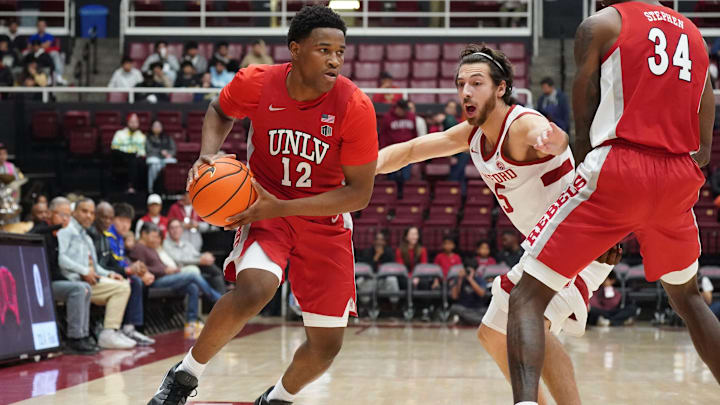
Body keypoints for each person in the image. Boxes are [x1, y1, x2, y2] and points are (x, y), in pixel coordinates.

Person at [147, 5, 378, 404]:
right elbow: (220, 110)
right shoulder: (257, 82)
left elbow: (358, 194)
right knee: (255, 288)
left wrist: (282, 208)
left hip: (323, 220)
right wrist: (207, 154)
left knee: (326, 345)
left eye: (340, 52)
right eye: (324, 50)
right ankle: (184, 377)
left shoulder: (355, 106)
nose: (335, 60)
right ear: (295, 49)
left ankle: (278, 399)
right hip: (264, 207)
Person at [375, 43, 621, 405]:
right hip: (546, 250)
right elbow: (411, 150)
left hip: (580, 244)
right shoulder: (471, 135)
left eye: (476, 83)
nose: (465, 92)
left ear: (501, 87)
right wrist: (359, 170)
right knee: (491, 334)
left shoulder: (523, 126)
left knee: (532, 324)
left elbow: (554, 136)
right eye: (461, 84)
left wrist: (552, 140)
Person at [505, 2, 720, 402]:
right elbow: (706, 97)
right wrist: (703, 150)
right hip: (677, 173)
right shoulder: (692, 32)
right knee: (688, 297)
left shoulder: (601, 23)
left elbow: (583, 100)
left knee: (526, 296)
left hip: (619, 163)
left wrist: (590, 172)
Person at [57, 198, 137, 350]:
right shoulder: (65, 231)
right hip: (71, 280)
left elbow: (97, 267)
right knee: (120, 288)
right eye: (84, 211)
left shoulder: (86, 237)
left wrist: (110, 274)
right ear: (74, 212)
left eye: (91, 213)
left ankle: (111, 331)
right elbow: (61, 259)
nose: (88, 216)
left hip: (90, 280)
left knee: (123, 284)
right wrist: (84, 271)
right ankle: (105, 333)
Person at [30, 197, 99, 355]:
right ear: (50, 214)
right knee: (79, 289)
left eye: (68, 216)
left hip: (55, 280)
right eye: (62, 215)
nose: (66, 219)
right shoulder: (43, 230)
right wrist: (55, 227)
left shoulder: (57, 234)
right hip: (42, 285)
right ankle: (74, 338)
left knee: (85, 287)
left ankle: (83, 334)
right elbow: (32, 233)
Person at [130, 223, 222, 339]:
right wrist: (164, 270)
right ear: (143, 234)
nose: (155, 239)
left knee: (192, 287)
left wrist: (170, 270)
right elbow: (141, 269)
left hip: (164, 277)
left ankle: (191, 324)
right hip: (156, 281)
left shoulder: (150, 247)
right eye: (153, 236)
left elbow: (158, 265)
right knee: (192, 274)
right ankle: (217, 298)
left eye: (156, 237)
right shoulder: (139, 248)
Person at [87, 202, 155, 345]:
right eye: (122, 220)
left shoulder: (116, 237)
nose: (125, 225)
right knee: (133, 282)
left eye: (128, 221)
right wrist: (129, 270)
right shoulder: (107, 234)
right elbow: (107, 264)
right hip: (98, 276)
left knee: (137, 281)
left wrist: (136, 269)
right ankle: (123, 329)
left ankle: (128, 328)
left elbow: (119, 262)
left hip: (106, 274)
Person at [164, 218, 226, 294]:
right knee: (198, 273)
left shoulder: (185, 243)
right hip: (181, 268)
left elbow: (196, 254)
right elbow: (178, 259)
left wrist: (205, 255)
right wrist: (199, 261)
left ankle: (221, 297)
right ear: (168, 230)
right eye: (172, 228)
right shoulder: (166, 243)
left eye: (177, 227)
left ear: (181, 229)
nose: (175, 230)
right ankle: (217, 297)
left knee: (215, 270)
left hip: (195, 265)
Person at [380, 99, 418, 184]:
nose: (404, 112)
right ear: (398, 108)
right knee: (391, 175)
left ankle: (404, 195)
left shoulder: (411, 116)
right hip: (392, 150)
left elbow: (414, 133)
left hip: (407, 150)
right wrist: (383, 149)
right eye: (403, 110)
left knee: (406, 176)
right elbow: (383, 134)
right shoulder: (387, 117)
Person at [111, 114, 146, 193]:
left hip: (135, 159)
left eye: (136, 122)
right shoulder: (120, 133)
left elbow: (143, 151)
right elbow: (114, 147)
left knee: (136, 160)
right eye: (131, 122)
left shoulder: (141, 136)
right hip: (121, 158)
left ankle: (133, 187)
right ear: (127, 122)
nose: (133, 124)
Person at [146, 120, 177, 194]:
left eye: (158, 126)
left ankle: (170, 188)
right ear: (151, 127)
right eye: (155, 126)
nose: (157, 128)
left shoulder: (167, 137)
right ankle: (152, 188)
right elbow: (148, 150)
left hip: (165, 159)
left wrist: (169, 154)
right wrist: (160, 152)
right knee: (154, 165)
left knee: (172, 162)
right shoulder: (148, 137)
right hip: (154, 158)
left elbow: (173, 149)